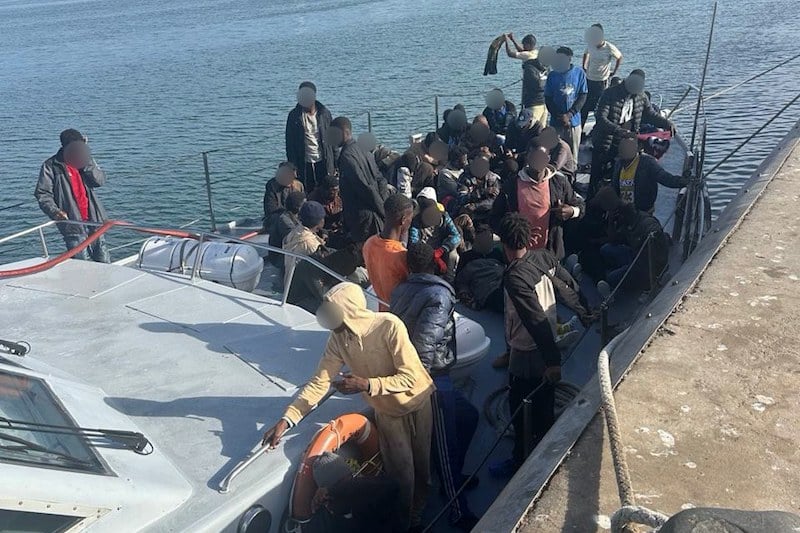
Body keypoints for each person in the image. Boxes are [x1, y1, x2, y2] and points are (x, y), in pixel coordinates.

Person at [261, 282, 435, 533]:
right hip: (387, 414)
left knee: (423, 468)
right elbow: (319, 382)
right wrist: (287, 419)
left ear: (350, 311)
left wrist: (367, 384)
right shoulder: (337, 340)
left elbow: (411, 378)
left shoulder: (389, 326)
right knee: (403, 475)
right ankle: (405, 525)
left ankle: (418, 514)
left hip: (417, 402)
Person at [391, 243, 479, 531]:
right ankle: (457, 509)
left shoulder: (400, 290)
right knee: (446, 447)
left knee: (469, 417)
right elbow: (424, 344)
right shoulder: (439, 296)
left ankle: (452, 477)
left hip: (422, 372)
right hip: (431, 379)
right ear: (433, 265)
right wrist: (423, 386)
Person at [489, 213, 563, 478]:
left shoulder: (515, 278)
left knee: (520, 407)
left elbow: (534, 319)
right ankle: (547, 451)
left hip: (527, 350)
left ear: (504, 244)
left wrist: (553, 362)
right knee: (545, 401)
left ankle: (521, 459)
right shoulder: (543, 258)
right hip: (546, 343)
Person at [490, 143, 584, 260]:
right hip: (519, 257)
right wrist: (514, 234)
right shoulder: (511, 185)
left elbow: (580, 205)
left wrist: (572, 211)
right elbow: (494, 218)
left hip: (550, 255)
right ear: (527, 157)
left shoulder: (559, 182)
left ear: (548, 159)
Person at [591, 69, 675, 194]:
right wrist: (618, 130)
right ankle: (593, 202)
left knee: (620, 177)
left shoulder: (642, 96)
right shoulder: (609, 93)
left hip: (627, 142)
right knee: (598, 176)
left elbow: (650, 115)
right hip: (606, 140)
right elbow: (601, 118)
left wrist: (666, 123)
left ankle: (618, 201)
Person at [35, 129, 109, 262]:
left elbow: (99, 181)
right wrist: (55, 212)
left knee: (104, 262)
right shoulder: (51, 166)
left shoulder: (85, 161)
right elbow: (43, 193)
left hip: (94, 221)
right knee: (81, 265)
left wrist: (87, 163)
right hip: (72, 224)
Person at [592, 186, 669, 291]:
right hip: (635, 254)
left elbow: (657, 243)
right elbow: (613, 241)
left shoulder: (646, 223)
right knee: (606, 249)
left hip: (646, 266)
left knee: (611, 278)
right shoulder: (623, 217)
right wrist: (611, 221)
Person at [306, 451, 400, 533]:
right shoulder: (325, 522)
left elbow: (392, 485)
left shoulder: (368, 496)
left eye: (350, 481)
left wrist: (333, 490)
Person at [329, 116, 390, 243]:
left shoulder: (346, 157)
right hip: (375, 211)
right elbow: (381, 180)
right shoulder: (363, 148)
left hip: (363, 218)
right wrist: (383, 204)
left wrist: (383, 212)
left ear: (345, 132)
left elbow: (363, 187)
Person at [362, 194, 414, 309]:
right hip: (395, 310)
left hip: (377, 304)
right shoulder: (400, 255)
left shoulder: (369, 243)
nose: (410, 223)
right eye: (410, 219)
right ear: (403, 220)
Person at [611, 136, 688, 213]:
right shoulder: (618, 164)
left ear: (637, 148)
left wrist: (683, 181)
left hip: (642, 211)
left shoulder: (647, 163)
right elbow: (615, 187)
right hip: (623, 210)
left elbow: (664, 177)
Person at [285, 81, 335, 191]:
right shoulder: (294, 116)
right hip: (303, 162)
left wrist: (336, 164)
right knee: (307, 190)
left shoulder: (324, 114)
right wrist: (292, 168)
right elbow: (290, 145)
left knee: (326, 190)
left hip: (324, 160)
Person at [544, 46, 588, 162]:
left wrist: (569, 115)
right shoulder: (552, 75)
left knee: (573, 156)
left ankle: (573, 172)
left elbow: (583, 96)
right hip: (556, 122)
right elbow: (548, 98)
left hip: (573, 122)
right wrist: (559, 116)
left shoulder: (579, 73)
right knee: (555, 154)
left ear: (569, 59)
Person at [409, 188, 462, 282]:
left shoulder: (444, 218)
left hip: (442, 251)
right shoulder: (416, 221)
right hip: (424, 254)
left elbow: (456, 237)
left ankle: (449, 281)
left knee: (453, 255)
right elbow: (414, 243)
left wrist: (442, 250)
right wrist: (433, 256)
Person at [581, 24, 623, 130]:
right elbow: (586, 53)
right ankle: (580, 129)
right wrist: (584, 66)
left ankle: (598, 129)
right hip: (589, 79)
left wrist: (614, 71)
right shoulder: (591, 45)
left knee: (599, 107)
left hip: (601, 80)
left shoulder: (609, 47)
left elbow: (619, 57)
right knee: (584, 106)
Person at [505, 33, 549, 129]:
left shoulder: (528, 58)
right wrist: (513, 39)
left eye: (524, 45)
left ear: (528, 45)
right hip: (543, 100)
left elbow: (510, 53)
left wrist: (506, 41)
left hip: (533, 100)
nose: (523, 46)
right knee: (541, 127)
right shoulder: (536, 53)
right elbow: (522, 51)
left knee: (531, 127)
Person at [283, 201, 328, 288]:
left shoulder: (295, 232)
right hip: (302, 288)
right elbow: (325, 266)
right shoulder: (311, 244)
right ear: (320, 221)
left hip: (289, 283)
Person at [268, 190, 305, 272]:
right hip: (280, 257)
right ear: (297, 207)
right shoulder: (284, 221)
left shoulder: (296, 216)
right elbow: (297, 239)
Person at [456, 154, 501, 222]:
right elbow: (461, 199)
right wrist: (482, 192)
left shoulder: (493, 178)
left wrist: (476, 206)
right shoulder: (465, 178)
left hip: (488, 213)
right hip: (469, 214)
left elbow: (494, 201)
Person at [263, 162, 305, 231]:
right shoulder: (272, 185)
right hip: (277, 218)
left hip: (295, 217)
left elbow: (302, 205)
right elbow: (270, 209)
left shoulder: (298, 185)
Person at [308, 174, 345, 245]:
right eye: (333, 191)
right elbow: (312, 223)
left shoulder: (340, 195)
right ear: (325, 190)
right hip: (322, 231)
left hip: (340, 227)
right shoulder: (313, 200)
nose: (335, 193)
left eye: (337, 190)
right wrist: (323, 231)